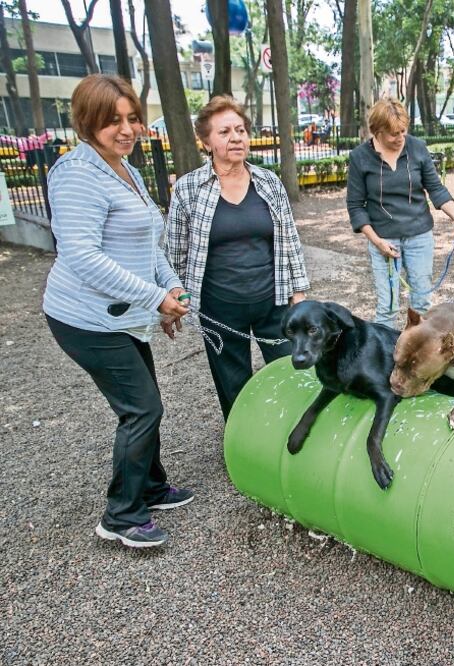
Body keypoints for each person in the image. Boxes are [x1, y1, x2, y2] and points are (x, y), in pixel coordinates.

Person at [42, 74, 192, 549]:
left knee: (143, 400)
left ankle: (149, 486)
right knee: (142, 408)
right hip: (85, 319)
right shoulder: (76, 174)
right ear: (88, 123)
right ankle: (122, 515)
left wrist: (169, 285)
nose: (127, 129)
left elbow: (150, 239)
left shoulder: (122, 166)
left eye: (132, 119)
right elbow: (82, 258)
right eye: (113, 122)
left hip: (121, 315)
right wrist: (154, 299)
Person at [167, 95, 310, 420]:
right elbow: (174, 253)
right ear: (206, 141)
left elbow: (290, 240)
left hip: (272, 302)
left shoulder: (269, 183)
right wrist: (173, 299)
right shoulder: (189, 189)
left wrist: (298, 297)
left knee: (292, 373)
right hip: (219, 310)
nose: (236, 137)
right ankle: (243, 443)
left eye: (241, 130)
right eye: (224, 132)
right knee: (234, 386)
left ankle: (293, 436)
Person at [346, 97, 454, 328]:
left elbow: (435, 188)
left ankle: (420, 354)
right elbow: (355, 206)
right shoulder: (359, 157)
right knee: (388, 306)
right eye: (393, 133)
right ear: (378, 131)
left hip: (419, 236)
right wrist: (376, 241)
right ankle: (385, 357)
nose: (400, 138)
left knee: (422, 303)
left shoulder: (417, 148)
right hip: (384, 240)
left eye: (403, 131)